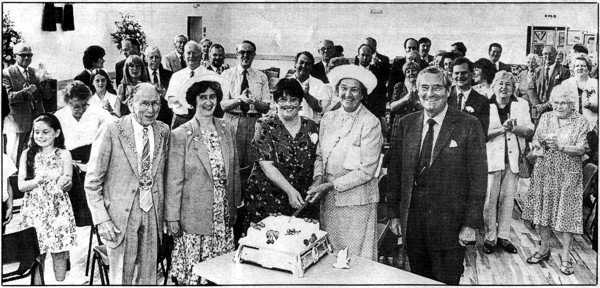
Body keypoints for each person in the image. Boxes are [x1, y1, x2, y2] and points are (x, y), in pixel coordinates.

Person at [387, 66, 487, 284]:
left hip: (450, 225)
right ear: (416, 90)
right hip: (413, 222)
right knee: (419, 279)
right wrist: (394, 213)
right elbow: (395, 172)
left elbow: (479, 179)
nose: (430, 93)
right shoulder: (406, 124)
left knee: (447, 280)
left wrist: (470, 224)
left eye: (436, 87)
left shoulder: (469, 125)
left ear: (448, 90)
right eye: (424, 87)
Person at [85, 83, 170, 285]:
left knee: (149, 277)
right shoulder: (111, 129)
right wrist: (101, 219)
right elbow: (92, 181)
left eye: (156, 104)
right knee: (122, 278)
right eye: (145, 104)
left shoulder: (164, 130)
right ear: (131, 103)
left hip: (152, 213)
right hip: (120, 217)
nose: (151, 110)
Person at [165, 74, 240, 285]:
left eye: (213, 97)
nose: (208, 102)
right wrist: (172, 218)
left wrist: (234, 206)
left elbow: (233, 171)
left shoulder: (226, 128)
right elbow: (173, 180)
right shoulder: (181, 134)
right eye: (202, 97)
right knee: (196, 276)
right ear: (193, 100)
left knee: (220, 273)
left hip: (222, 212)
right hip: (193, 215)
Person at [306, 65, 383, 261]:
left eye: (354, 89)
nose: (348, 94)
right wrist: (318, 179)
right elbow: (320, 156)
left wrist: (330, 185)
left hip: (357, 202)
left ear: (363, 94)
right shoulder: (328, 118)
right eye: (344, 88)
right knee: (329, 256)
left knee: (354, 259)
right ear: (337, 90)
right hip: (329, 200)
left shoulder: (370, 122)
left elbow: (367, 170)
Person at [521, 85, 590, 276]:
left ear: (572, 104)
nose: (559, 106)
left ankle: (566, 257)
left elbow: (582, 150)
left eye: (563, 103)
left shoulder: (580, 121)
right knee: (544, 210)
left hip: (568, 174)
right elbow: (535, 141)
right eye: (556, 103)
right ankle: (544, 249)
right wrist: (538, 144)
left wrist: (561, 147)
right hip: (546, 170)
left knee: (566, 215)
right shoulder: (546, 117)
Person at [242, 78, 320, 232]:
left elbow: (319, 157)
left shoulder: (310, 125)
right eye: (283, 99)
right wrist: (290, 191)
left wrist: (318, 180)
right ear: (275, 102)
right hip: (267, 199)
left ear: (301, 102)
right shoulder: (264, 125)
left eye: (294, 99)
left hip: (301, 200)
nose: (288, 104)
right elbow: (267, 166)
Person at [18, 113, 76, 282]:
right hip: (35, 210)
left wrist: (65, 181)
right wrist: (37, 181)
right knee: (37, 256)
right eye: (37, 132)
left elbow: (68, 182)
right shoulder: (27, 154)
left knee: (59, 254)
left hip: (58, 210)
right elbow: (22, 186)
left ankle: (60, 283)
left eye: (45, 132)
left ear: (56, 133)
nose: (40, 136)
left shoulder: (64, 154)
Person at [482, 71, 534, 255]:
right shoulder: (485, 105)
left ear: (513, 89)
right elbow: (480, 134)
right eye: (500, 84)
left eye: (508, 85)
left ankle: (503, 236)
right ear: (494, 86)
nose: (504, 87)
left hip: (513, 161)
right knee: (489, 201)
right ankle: (490, 237)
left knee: (507, 200)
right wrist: (501, 130)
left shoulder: (522, 105)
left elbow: (529, 131)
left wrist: (514, 128)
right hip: (491, 160)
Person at [3, 43, 50, 164]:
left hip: (35, 121)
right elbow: (7, 97)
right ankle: (13, 181)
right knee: (15, 155)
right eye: (23, 55)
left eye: (29, 55)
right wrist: (25, 92)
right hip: (17, 122)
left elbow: (46, 96)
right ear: (15, 56)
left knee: (34, 155)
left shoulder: (34, 72)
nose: (27, 58)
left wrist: (44, 81)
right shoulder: (6, 73)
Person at [55, 80, 115, 163]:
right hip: (68, 159)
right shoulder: (59, 116)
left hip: (92, 157)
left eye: (84, 105)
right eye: (76, 107)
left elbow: (115, 123)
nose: (81, 110)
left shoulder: (95, 111)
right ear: (68, 102)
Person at [165, 41, 213, 130]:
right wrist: (185, 98)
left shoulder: (209, 75)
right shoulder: (176, 76)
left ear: (201, 55)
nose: (191, 56)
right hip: (181, 119)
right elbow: (170, 99)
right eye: (188, 53)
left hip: (203, 120)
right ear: (184, 56)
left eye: (194, 53)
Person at [448, 57, 490, 135]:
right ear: (452, 75)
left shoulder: (482, 101)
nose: (460, 76)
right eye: (456, 73)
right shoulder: (445, 96)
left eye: (464, 73)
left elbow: (482, 134)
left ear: (472, 74)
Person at [356, 44, 388, 134]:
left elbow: (382, 94)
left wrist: (382, 115)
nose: (365, 58)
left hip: (374, 112)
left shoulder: (378, 72)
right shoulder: (352, 72)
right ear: (358, 56)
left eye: (367, 55)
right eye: (362, 55)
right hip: (356, 112)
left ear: (371, 57)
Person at [534, 46, 570, 120]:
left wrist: (547, 105)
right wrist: (538, 105)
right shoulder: (537, 70)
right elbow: (532, 89)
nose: (548, 56)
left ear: (556, 54)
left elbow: (563, 92)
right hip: (538, 110)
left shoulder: (564, 71)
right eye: (545, 54)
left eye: (551, 54)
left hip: (555, 109)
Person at [562, 53, 598, 126]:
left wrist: (591, 106)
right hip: (570, 125)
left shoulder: (596, 84)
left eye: (583, 66)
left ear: (588, 68)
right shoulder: (566, 84)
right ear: (573, 68)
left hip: (592, 124)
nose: (580, 68)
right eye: (577, 66)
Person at [289, 51, 324, 123]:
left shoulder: (319, 84)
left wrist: (307, 96)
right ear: (295, 64)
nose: (304, 66)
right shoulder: (285, 83)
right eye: (301, 62)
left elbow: (321, 109)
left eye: (307, 64)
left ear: (311, 67)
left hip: (311, 126)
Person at [144, 46, 173, 127]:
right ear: (146, 59)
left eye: (156, 57)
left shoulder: (169, 75)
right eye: (151, 57)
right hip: (147, 115)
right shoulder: (141, 75)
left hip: (165, 116)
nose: (154, 60)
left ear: (160, 59)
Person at [389, 61, 422, 129]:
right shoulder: (399, 86)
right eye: (408, 71)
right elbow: (392, 107)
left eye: (414, 70)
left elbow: (426, 108)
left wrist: (416, 102)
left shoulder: (422, 87)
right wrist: (404, 99)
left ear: (418, 72)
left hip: (417, 124)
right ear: (405, 74)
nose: (411, 73)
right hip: (400, 124)